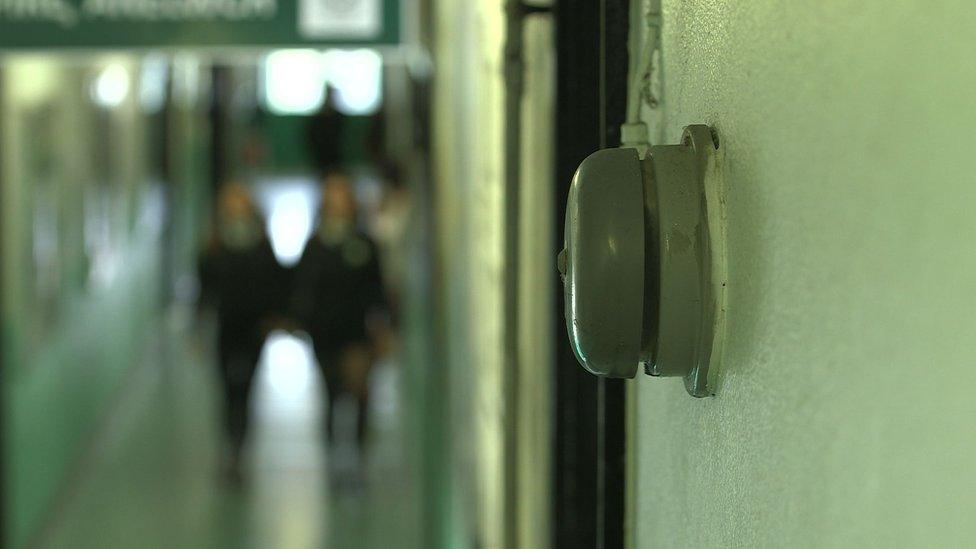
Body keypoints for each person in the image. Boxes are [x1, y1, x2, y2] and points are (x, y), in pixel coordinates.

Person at [292, 172, 386, 462]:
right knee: (331, 395)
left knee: (359, 395)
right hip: (324, 335)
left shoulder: (364, 244)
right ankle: (333, 457)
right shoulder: (315, 245)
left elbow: (377, 290)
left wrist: (383, 330)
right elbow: (303, 289)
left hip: (357, 335)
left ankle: (358, 455)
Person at [198, 183, 284, 482]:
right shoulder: (214, 246)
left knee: (246, 388)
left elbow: (275, 282)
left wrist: (276, 317)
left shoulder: (261, 244)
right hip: (227, 327)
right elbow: (204, 289)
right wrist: (198, 328)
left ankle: (241, 448)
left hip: (254, 329)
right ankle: (231, 449)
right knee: (228, 390)